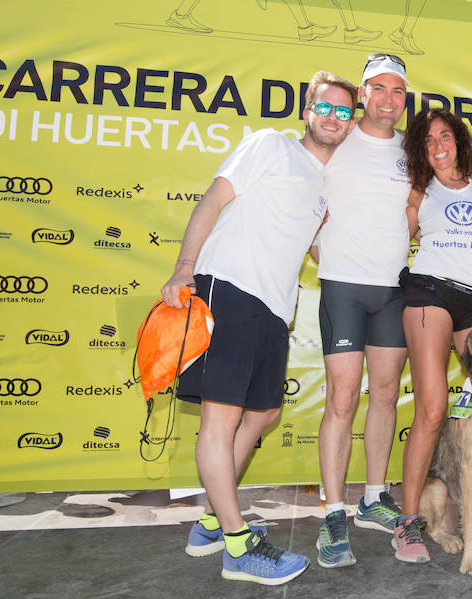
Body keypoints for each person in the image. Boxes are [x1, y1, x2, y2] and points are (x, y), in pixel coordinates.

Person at [161, 70, 358, 585]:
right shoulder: (271, 144)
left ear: (350, 122)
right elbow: (214, 198)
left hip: (273, 309)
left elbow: (321, 250)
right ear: (306, 111)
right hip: (229, 289)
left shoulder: (325, 185)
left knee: (265, 412)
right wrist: (185, 268)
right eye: (325, 107)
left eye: (343, 111)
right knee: (219, 421)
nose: (333, 117)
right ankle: (237, 545)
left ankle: (209, 522)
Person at [313, 53, 411, 568]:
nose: (388, 99)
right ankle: (333, 511)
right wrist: (319, 249)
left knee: (387, 394)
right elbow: (299, 198)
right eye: (379, 89)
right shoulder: (336, 137)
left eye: (398, 91)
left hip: (393, 290)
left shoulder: (411, 149)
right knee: (343, 399)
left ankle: (374, 496)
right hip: (345, 288)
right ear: (364, 94)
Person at [392, 107, 472, 562]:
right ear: (420, 149)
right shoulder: (421, 188)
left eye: (444, 136)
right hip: (430, 292)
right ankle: (408, 523)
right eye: (428, 141)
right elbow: (394, 237)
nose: (437, 146)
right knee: (433, 410)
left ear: (458, 139)